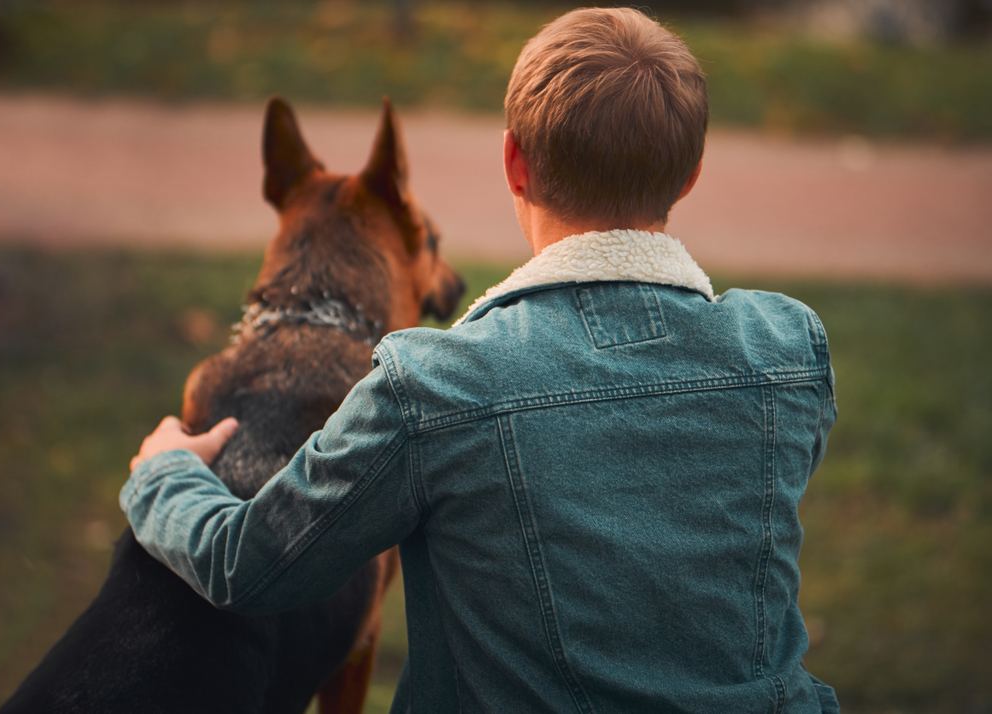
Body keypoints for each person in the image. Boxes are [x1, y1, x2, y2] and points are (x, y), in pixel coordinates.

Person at [123, 7, 839, 712]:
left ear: (513, 163)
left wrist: (163, 476)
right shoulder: (787, 348)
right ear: (690, 174)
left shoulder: (434, 390)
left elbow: (247, 568)